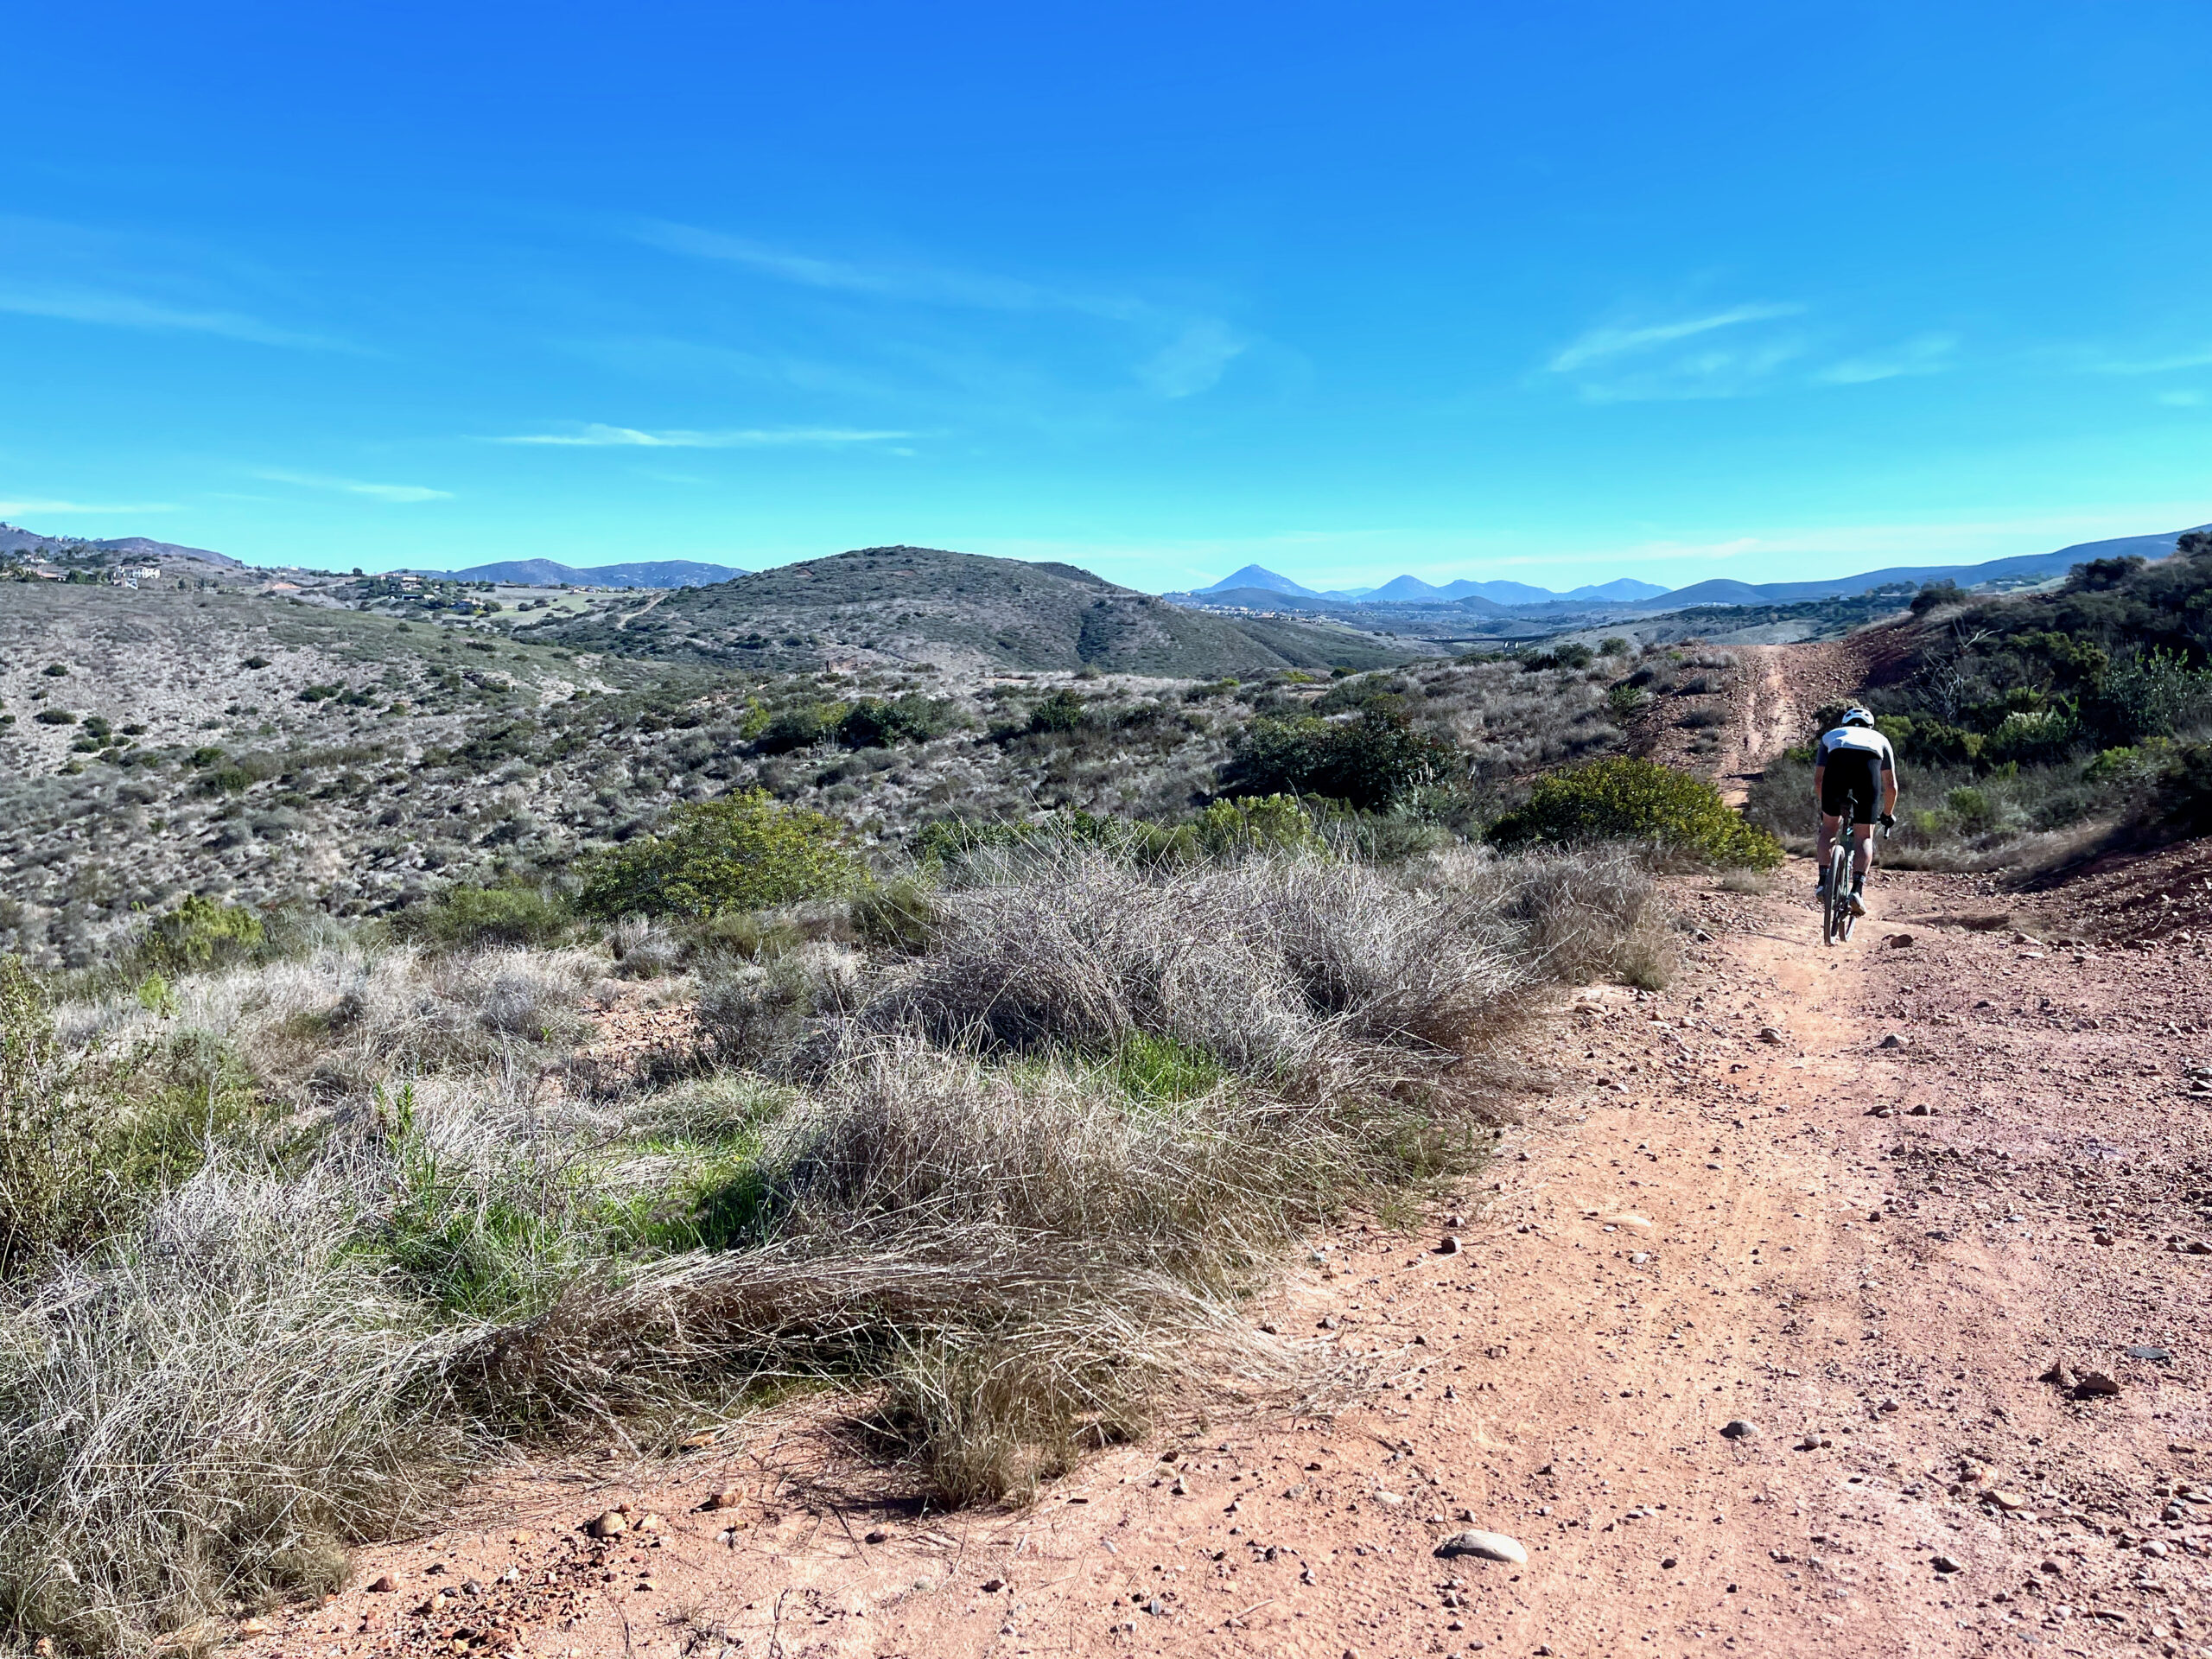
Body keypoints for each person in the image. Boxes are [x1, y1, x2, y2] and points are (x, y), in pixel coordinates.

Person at [1812, 706, 1899, 917]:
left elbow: (1819, 780)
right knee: (1864, 837)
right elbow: (1892, 786)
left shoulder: (1830, 736)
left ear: (1844, 724)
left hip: (1837, 770)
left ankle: (1823, 882)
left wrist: (1826, 807)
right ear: (1870, 726)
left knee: (1829, 829)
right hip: (1867, 773)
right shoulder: (1880, 739)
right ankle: (1857, 891)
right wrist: (1887, 814)